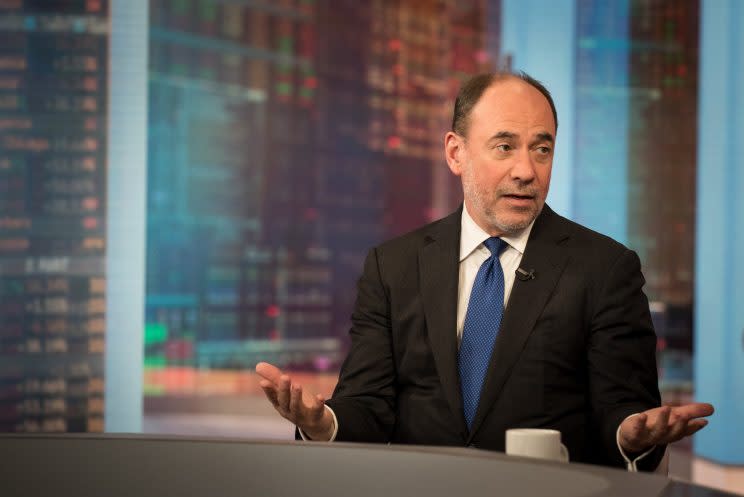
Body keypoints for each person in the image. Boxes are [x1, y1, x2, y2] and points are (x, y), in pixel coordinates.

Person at [256, 72, 713, 471]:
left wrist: (631, 437)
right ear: (456, 153)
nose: (526, 170)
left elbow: (624, 415)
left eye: (542, 148)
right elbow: (368, 408)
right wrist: (322, 422)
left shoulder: (606, 269)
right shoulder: (392, 267)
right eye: (505, 146)